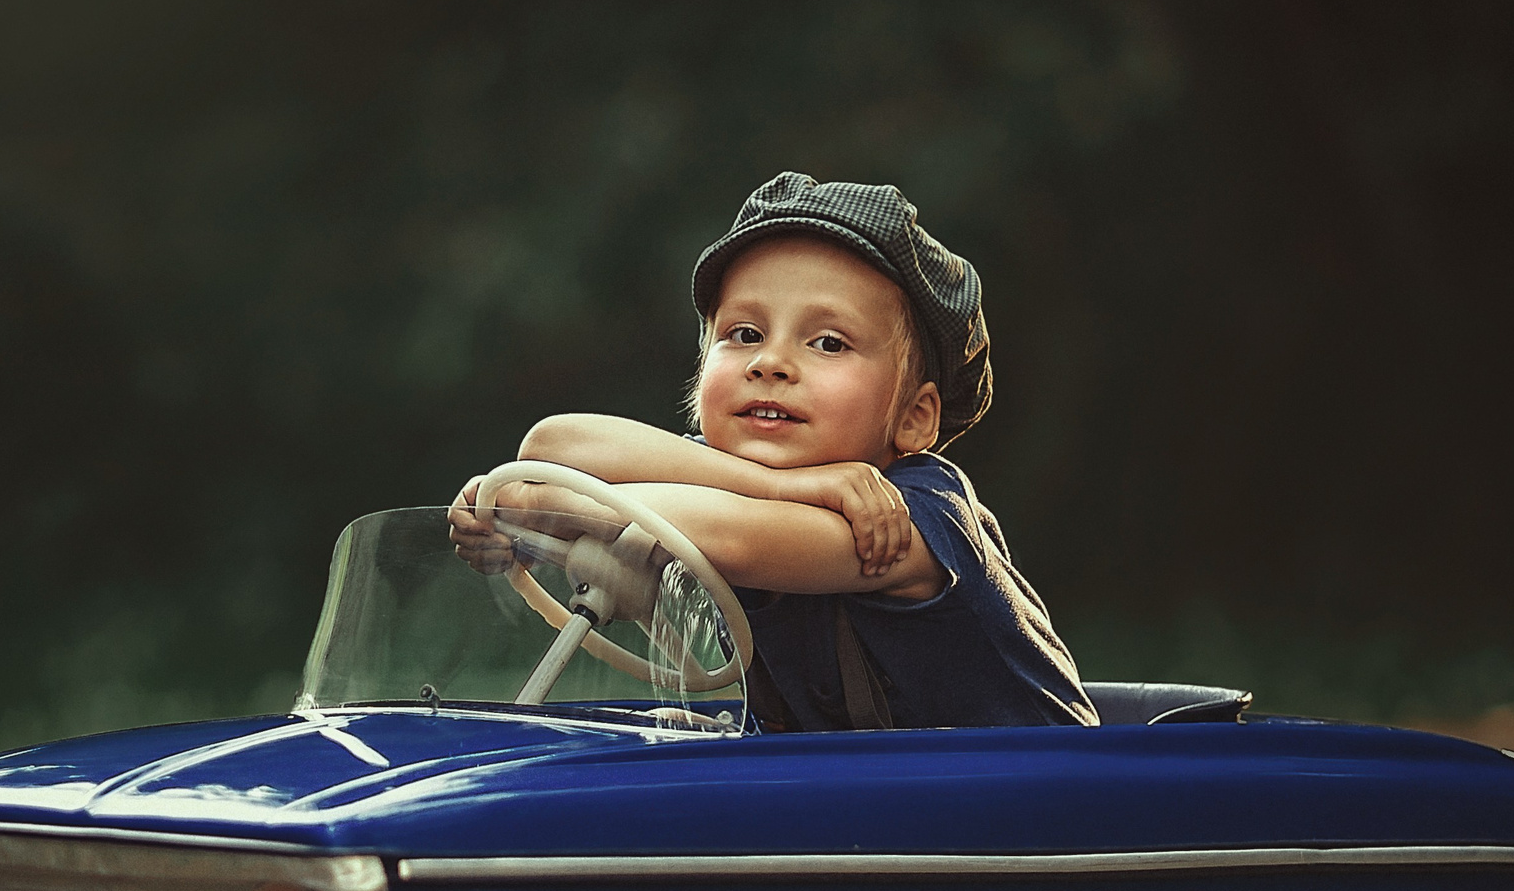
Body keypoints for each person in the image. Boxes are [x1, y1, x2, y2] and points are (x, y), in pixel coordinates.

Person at [449, 171, 1096, 730]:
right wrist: (789, 485)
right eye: (744, 333)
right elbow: (550, 444)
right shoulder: (741, 482)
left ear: (914, 417)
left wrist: (529, 506)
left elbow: (727, 535)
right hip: (864, 808)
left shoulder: (914, 516)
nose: (771, 361)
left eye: (829, 343)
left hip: (1048, 807)